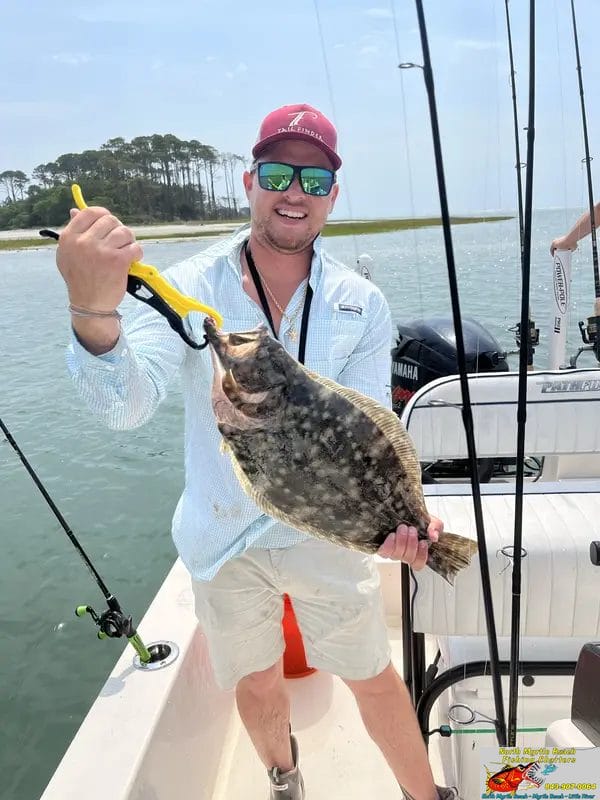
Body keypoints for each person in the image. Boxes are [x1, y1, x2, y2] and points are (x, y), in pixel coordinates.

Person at [56, 103, 456, 800]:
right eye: (277, 172)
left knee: (369, 672)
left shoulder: (360, 303)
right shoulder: (186, 290)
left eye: (312, 177)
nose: (293, 190)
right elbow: (125, 408)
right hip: (221, 537)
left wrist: (400, 522)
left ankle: (427, 795)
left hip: (330, 536)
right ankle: (283, 779)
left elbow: (370, 431)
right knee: (257, 676)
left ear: (332, 195)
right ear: (249, 183)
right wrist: (94, 312)